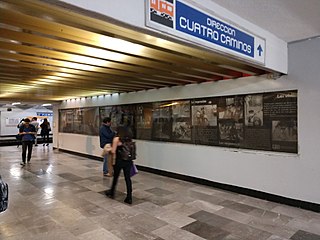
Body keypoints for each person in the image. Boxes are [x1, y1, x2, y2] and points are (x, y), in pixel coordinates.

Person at [106, 126, 134, 204]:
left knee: (116, 177)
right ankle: (129, 197)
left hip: (119, 161)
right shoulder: (130, 140)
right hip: (128, 161)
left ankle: (111, 192)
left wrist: (108, 149)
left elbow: (113, 151)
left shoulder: (117, 139)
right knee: (128, 179)